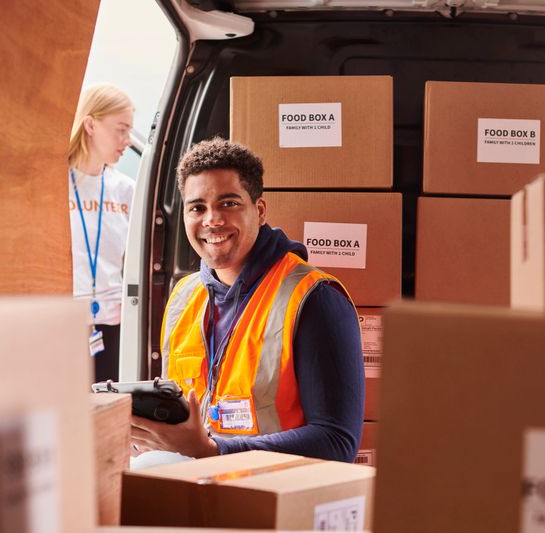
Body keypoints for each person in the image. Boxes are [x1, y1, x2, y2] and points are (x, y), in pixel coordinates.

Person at [130, 137, 364, 462]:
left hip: (279, 493)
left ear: (260, 210)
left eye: (229, 203)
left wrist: (214, 450)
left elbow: (337, 441)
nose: (212, 219)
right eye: (197, 207)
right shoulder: (184, 298)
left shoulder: (314, 298)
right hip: (202, 481)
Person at [67, 84, 136, 382]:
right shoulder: (52, 185)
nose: (128, 140)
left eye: (129, 130)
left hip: (113, 326)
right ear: (91, 124)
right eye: (121, 129)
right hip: (63, 325)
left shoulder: (127, 190)